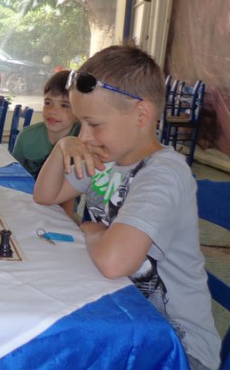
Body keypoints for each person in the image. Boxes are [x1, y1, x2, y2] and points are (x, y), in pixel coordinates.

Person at [33, 45, 221, 370]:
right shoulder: (107, 158)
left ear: (142, 115)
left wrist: (94, 231)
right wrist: (63, 146)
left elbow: (113, 262)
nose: (84, 137)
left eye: (93, 124)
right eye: (80, 124)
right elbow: (45, 195)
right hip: (119, 316)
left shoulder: (164, 174)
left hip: (176, 349)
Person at [12, 70, 80, 217]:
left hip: (62, 211)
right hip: (27, 203)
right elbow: (14, 175)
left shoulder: (82, 140)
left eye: (64, 105)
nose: (52, 111)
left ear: (80, 111)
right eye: (48, 103)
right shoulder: (26, 137)